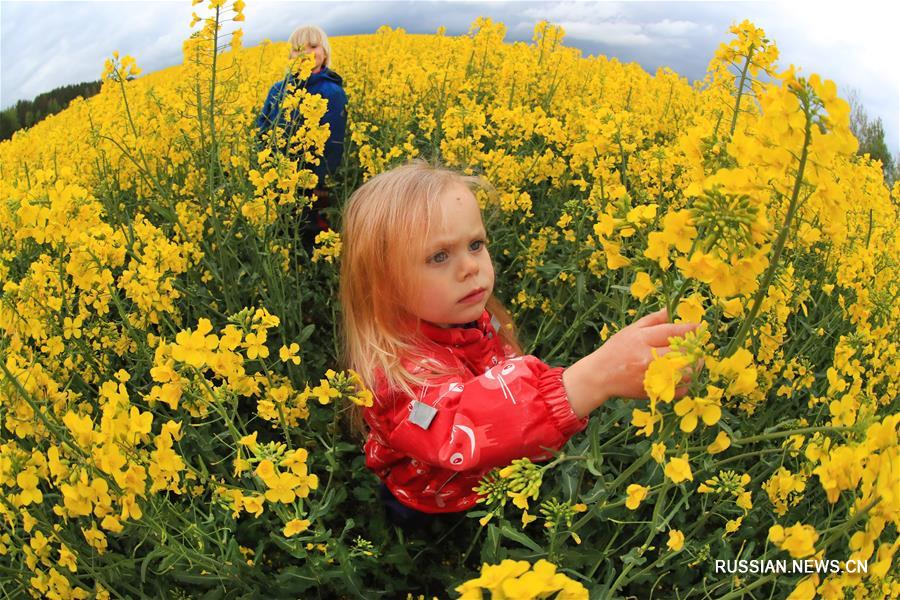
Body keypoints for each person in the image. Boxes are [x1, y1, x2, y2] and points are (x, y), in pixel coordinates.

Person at [339, 161, 700, 527]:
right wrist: (589, 380)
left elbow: (498, 371)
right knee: (425, 541)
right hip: (430, 498)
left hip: (488, 482)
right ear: (385, 285)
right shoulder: (394, 372)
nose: (470, 267)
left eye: (476, 244)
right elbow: (459, 428)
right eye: (439, 256)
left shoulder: (472, 317)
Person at [256, 25, 348, 252]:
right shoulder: (278, 89)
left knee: (312, 229)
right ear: (290, 56)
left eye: (313, 46)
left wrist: (319, 180)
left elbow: (334, 144)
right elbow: (262, 125)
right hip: (276, 174)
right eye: (299, 48)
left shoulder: (333, 92)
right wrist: (266, 162)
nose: (306, 52)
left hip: (315, 179)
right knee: (281, 229)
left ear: (325, 53)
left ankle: (315, 269)